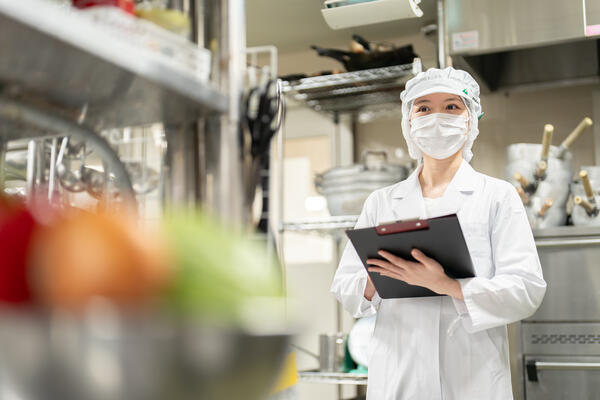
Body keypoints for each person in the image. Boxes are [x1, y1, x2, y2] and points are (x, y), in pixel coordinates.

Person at [330, 67, 546, 400]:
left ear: (470, 120)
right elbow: (345, 287)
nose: (436, 118)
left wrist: (446, 285)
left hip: (471, 378)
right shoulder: (381, 202)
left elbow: (526, 290)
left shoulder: (497, 196)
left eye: (451, 107)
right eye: (424, 108)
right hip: (399, 375)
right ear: (409, 122)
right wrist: (380, 274)